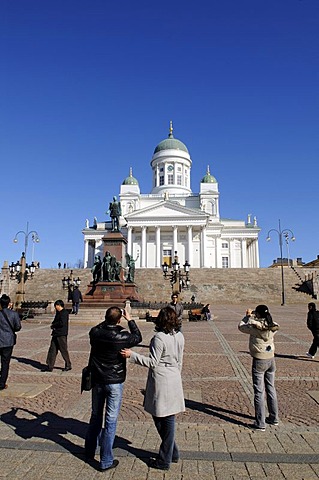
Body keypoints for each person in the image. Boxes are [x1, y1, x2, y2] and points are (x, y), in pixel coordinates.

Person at [121, 307, 185, 471]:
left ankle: (165, 460)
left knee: (164, 418)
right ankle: (173, 452)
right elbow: (180, 360)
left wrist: (132, 355)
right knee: (163, 416)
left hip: (163, 380)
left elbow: (153, 362)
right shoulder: (179, 336)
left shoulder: (159, 338)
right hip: (174, 376)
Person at [85, 306, 142, 471]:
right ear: (119, 320)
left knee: (95, 415)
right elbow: (138, 337)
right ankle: (105, 461)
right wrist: (129, 319)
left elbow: (97, 328)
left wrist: (111, 319)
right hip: (114, 382)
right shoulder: (121, 336)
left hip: (97, 380)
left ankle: (89, 451)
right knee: (110, 420)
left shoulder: (94, 333)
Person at [238, 304, 279, 431]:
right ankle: (274, 417)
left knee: (259, 391)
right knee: (271, 388)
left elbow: (241, 327)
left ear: (258, 314)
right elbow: (271, 323)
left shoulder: (255, 327)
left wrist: (247, 316)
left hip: (260, 360)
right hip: (271, 359)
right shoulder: (272, 326)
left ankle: (260, 422)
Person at [42, 300, 72, 372]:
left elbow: (61, 323)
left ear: (59, 305)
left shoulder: (64, 313)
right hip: (56, 333)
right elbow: (56, 321)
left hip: (61, 334)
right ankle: (50, 366)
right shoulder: (58, 313)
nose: (55, 308)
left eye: (56, 306)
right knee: (52, 350)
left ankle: (68, 364)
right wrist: (53, 324)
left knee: (63, 350)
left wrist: (54, 325)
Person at [0, 294, 21, 390]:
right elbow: (18, 327)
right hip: (8, 341)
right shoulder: (14, 314)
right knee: (5, 363)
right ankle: (2, 383)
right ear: (8, 303)